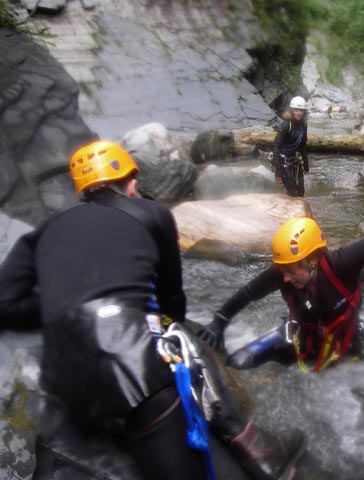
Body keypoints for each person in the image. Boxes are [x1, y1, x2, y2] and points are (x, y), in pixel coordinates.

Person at [0, 140, 305, 480]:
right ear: (130, 181)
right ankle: (250, 443)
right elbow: (171, 300)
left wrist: (69, 302)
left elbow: (4, 305)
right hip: (132, 366)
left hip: (64, 377)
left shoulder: (44, 232)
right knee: (179, 336)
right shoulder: (153, 213)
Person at [198, 216, 364, 373]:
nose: (284, 278)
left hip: (347, 343)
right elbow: (248, 293)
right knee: (237, 364)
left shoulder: (341, 263)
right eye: (283, 270)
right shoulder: (281, 273)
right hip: (302, 339)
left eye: (290, 270)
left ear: (312, 261)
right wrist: (219, 322)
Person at [271, 96, 309, 197]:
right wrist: (278, 169)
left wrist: (306, 164)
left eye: (301, 110)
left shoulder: (303, 125)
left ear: (304, 112)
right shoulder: (286, 125)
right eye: (296, 110)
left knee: (301, 191)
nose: (299, 113)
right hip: (282, 160)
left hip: (294, 159)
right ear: (291, 111)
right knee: (292, 191)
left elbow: (303, 145)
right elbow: (276, 145)